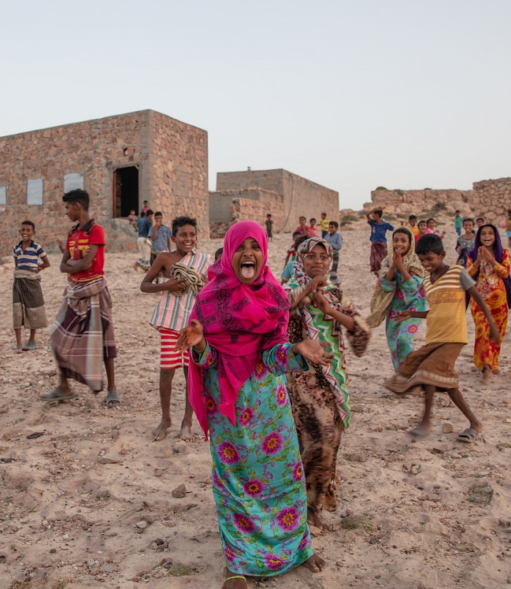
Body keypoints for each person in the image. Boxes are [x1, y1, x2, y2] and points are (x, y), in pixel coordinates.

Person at [176, 221, 328, 587]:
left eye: (255, 247)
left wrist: (295, 349)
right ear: (229, 252)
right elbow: (207, 360)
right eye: (241, 247)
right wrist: (199, 343)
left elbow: (273, 356)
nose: (248, 254)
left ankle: (297, 549)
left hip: (267, 404)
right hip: (227, 406)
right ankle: (239, 562)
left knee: (283, 479)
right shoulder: (209, 298)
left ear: (264, 252)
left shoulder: (274, 296)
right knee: (234, 483)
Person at [284, 238, 369, 530]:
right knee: (321, 433)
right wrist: (306, 292)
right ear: (300, 260)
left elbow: (361, 330)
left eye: (323, 257)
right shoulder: (286, 289)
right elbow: (275, 314)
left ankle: (312, 500)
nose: (318, 262)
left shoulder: (335, 294)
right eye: (311, 257)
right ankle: (305, 505)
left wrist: (328, 309)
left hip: (334, 376)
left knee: (330, 438)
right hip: (299, 373)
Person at [385, 234, 499, 442]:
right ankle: (474, 423)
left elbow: (476, 296)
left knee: (429, 371)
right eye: (422, 261)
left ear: (442, 255)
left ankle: (426, 421)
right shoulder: (428, 282)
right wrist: (412, 314)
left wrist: (491, 324)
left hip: (454, 335)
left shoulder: (457, 272)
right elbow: (434, 311)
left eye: (430, 259)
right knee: (446, 383)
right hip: (434, 336)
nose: (426, 264)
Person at [43, 189, 119, 407]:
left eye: (67, 207)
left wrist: (74, 266)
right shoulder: (72, 233)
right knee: (58, 335)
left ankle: (112, 389)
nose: (66, 212)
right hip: (75, 292)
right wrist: (78, 265)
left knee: (105, 339)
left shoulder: (96, 231)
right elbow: (62, 266)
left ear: (77, 206)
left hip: (95, 290)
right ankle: (64, 386)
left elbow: (86, 265)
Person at [141, 216, 211, 441]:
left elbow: (212, 288)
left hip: (193, 323)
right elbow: (145, 285)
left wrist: (203, 282)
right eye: (183, 235)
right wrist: (167, 285)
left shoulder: (204, 260)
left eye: (192, 234)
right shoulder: (164, 258)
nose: (188, 239)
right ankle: (165, 418)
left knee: (190, 373)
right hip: (170, 321)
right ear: (174, 238)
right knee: (166, 372)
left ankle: (187, 421)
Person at [465, 224, 511, 383]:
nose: (487, 236)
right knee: (483, 330)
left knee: (497, 333)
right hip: (478, 300)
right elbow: (467, 274)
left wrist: (491, 260)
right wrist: (477, 261)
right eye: (483, 233)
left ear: (495, 236)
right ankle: (486, 368)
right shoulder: (471, 254)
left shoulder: (504, 253)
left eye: (490, 233)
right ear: (479, 237)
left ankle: (492, 362)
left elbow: (505, 272)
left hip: (499, 301)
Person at [367, 228, 427, 371]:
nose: (399, 244)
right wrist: (394, 266)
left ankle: (410, 372)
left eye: (403, 241)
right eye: (396, 240)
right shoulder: (387, 261)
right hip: (395, 306)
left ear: (410, 243)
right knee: (393, 343)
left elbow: (412, 287)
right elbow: (386, 286)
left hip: (414, 306)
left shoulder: (416, 261)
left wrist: (401, 266)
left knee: (404, 340)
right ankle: (401, 375)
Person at [12, 220, 51, 351]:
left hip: (32, 282)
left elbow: (47, 263)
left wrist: (38, 268)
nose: (25, 232)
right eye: (23, 230)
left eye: (28, 230)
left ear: (33, 233)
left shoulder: (37, 248)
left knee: (33, 309)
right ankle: (18, 343)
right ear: (19, 232)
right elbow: (17, 265)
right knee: (17, 310)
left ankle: (31, 340)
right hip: (18, 282)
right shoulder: (16, 248)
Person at [366, 209, 394, 273]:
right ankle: (377, 272)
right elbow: (367, 215)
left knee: (383, 259)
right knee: (374, 260)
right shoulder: (373, 223)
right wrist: (374, 209)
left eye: (373, 215)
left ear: (377, 215)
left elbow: (392, 229)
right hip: (374, 244)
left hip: (382, 244)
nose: (372, 216)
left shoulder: (385, 224)